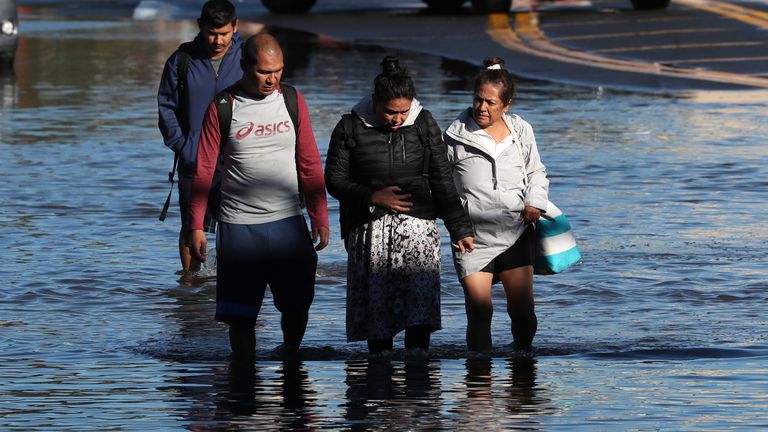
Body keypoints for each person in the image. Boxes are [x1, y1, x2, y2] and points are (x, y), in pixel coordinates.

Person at [189, 34, 330, 361]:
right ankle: (243, 381)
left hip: (288, 224)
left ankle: (291, 363)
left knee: (296, 306)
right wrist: (196, 226)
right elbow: (204, 170)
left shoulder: (292, 100)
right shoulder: (223, 107)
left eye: (278, 70)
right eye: (264, 71)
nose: (272, 79)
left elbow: (309, 162)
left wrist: (319, 215)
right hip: (240, 228)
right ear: (244, 66)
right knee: (240, 316)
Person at [325, 56, 474, 355]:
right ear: (375, 102)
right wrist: (372, 196)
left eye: (403, 112)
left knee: (419, 314)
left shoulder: (424, 122)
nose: (397, 119)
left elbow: (442, 178)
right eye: (390, 112)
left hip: (418, 229)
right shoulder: (350, 126)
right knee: (377, 318)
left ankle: (418, 381)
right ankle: (377, 383)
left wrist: (459, 227)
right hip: (370, 233)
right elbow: (334, 180)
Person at [444, 57, 549, 353]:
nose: (482, 108)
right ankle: (479, 381)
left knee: (522, 311)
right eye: (478, 100)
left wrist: (534, 202)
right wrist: (455, 224)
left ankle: (523, 363)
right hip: (471, 238)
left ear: (507, 104)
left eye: (490, 102)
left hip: (514, 232)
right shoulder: (454, 135)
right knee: (479, 311)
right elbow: (442, 186)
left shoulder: (521, 131)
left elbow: (536, 171)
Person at [158, 0, 243, 274]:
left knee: (241, 229)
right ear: (200, 27)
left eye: (224, 34)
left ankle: (236, 287)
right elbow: (167, 108)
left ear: (235, 27)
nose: (217, 40)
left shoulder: (247, 58)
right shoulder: (181, 60)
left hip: (239, 161)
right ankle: (191, 290)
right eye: (211, 33)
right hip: (194, 162)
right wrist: (185, 148)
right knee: (191, 228)